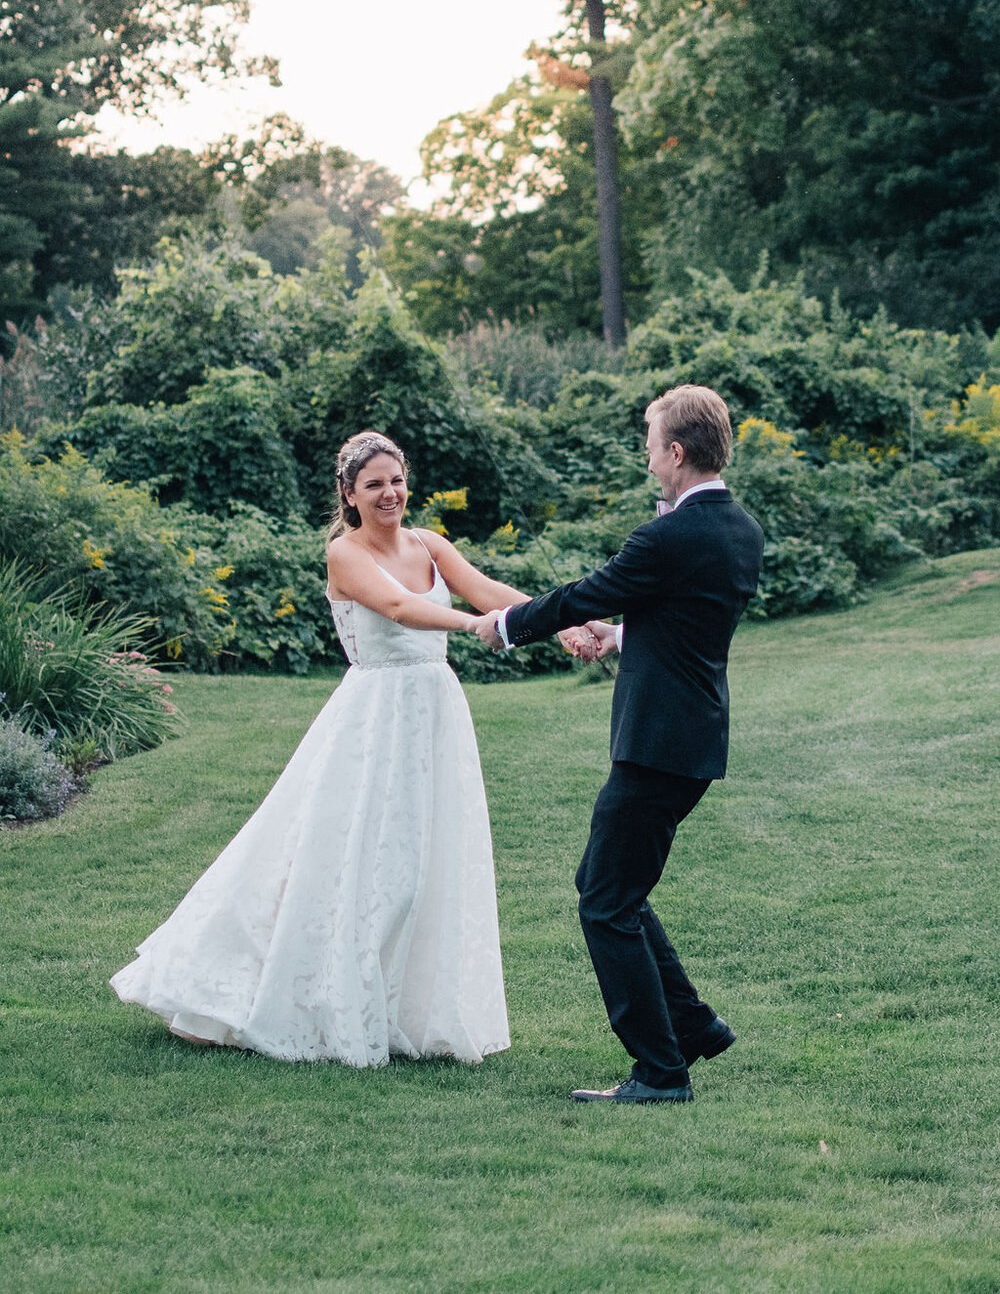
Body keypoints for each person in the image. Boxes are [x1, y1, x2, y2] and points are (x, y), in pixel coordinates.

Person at [111, 430, 582, 1066]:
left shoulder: (429, 543)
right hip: (373, 723)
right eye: (374, 485)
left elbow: (490, 592)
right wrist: (475, 627)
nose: (390, 493)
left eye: (397, 480)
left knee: (424, 865)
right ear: (350, 495)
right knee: (363, 863)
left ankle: (402, 1012)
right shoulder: (345, 554)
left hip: (435, 716)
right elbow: (397, 605)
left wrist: (563, 621)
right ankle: (299, 995)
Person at [473, 385, 764, 1104]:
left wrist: (507, 626)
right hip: (690, 738)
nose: (644, 453)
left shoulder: (669, 534)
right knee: (615, 891)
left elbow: (585, 591)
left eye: (649, 440)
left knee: (605, 902)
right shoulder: (739, 528)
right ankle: (694, 1028)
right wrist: (621, 633)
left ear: (675, 451)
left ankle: (660, 1073)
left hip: (658, 744)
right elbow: (686, 618)